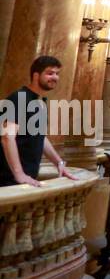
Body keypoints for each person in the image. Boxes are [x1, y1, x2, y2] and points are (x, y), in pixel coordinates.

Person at [0, 56, 74, 187]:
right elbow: (7, 137)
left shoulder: (40, 102)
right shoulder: (20, 98)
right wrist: (19, 174)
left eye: (57, 73)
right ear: (36, 75)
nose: (55, 77)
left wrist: (59, 163)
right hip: (7, 179)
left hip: (27, 178)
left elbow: (40, 137)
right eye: (50, 73)